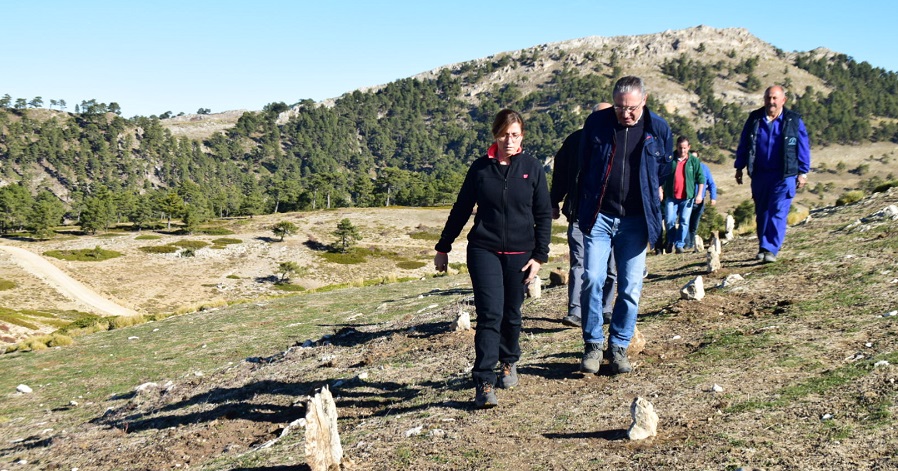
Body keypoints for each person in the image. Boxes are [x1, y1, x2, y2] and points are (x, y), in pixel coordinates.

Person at [434, 109, 551, 409]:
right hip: (483, 250)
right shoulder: (480, 169)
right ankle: (483, 382)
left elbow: (543, 215)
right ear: (495, 135)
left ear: (522, 136)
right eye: (504, 134)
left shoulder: (532, 168)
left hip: (520, 255)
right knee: (489, 315)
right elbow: (461, 209)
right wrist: (443, 247)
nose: (509, 140)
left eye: (515, 135)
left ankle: (509, 361)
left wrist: (539, 256)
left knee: (511, 314)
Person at [575, 76, 672, 375]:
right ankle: (592, 344)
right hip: (600, 217)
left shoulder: (659, 129)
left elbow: (664, 168)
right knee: (592, 278)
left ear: (644, 101)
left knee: (630, 287)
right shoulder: (597, 124)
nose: (625, 114)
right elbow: (583, 163)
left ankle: (618, 346)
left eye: (631, 108)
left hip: (636, 221)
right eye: (619, 107)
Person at [550, 102, 615, 329]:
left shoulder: (620, 140)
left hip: (612, 215)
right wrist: (553, 201)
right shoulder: (574, 141)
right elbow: (560, 173)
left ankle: (606, 309)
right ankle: (575, 311)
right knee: (579, 262)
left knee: (610, 266)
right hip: (579, 212)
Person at [734, 85, 811, 263]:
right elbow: (744, 144)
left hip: (784, 175)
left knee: (778, 210)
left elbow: (803, 147)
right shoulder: (754, 118)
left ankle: (770, 248)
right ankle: (764, 246)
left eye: (775, 98)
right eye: (768, 98)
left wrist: (803, 172)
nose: (771, 102)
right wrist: (739, 166)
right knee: (762, 212)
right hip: (760, 174)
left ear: (783, 100)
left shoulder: (793, 120)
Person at [661, 137, 705, 253]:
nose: (682, 150)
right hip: (671, 196)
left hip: (687, 197)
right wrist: (660, 189)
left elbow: (701, 178)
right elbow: (660, 175)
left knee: (684, 221)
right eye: (680, 148)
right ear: (677, 147)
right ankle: (671, 241)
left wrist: (699, 195)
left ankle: (679, 244)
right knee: (670, 220)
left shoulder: (694, 161)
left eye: (685, 148)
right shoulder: (670, 159)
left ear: (689, 147)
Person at [686, 158, 717, 250]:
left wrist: (713, 197)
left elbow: (711, 183)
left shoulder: (704, 168)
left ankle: (692, 243)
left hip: (699, 200)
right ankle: (686, 244)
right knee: (685, 221)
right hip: (686, 199)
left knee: (694, 223)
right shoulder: (684, 167)